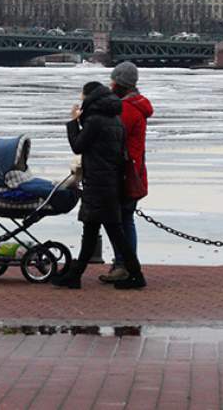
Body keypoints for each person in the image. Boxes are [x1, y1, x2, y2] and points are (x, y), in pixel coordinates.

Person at [53, 81, 145, 290]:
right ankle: (75, 276)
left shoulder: (95, 121)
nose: (81, 100)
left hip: (98, 182)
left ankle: (136, 275)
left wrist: (73, 122)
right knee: (96, 229)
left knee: (111, 231)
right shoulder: (115, 119)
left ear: (90, 97)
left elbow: (78, 146)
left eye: (82, 96)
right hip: (111, 181)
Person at [99, 62, 153, 284]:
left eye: (113, 81)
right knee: (125, 219)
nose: (110, 84)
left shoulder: (126, 109)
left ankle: (124, 264)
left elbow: (110, 137)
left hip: (123, 173)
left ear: (120, 83)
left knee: (119, 220)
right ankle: (124, 263)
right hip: (134, 171)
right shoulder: (135, 106)